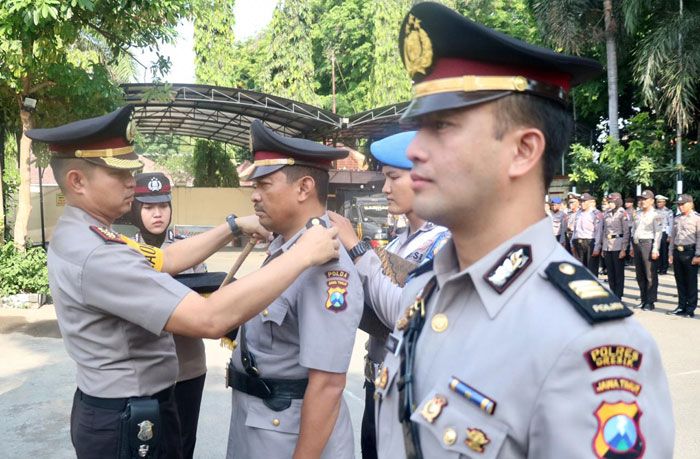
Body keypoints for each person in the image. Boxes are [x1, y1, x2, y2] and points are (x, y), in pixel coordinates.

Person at [372, 3, 674, 458]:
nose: (414, 150)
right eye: (419, 128)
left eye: (441, 127)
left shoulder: (589, 345)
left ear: (523, 151)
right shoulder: (429, 291)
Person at [26, 105, 341, 459]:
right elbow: (209, 320)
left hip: (125, 410)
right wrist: (302, 255)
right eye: (119, 173)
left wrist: (234, 227)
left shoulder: (88, 234)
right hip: (128, 422)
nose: (132, 182)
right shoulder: (98, 254)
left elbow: (167, 260)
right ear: (77, 181)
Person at [225, 120, 363, 459]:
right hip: (261, 425)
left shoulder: (326, 265)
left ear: (304, 188)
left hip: (289, 437)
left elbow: (328, 385)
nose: (254, 194)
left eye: (265, 184)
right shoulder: (286, 249)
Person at [328, 131, 450, 459]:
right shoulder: (398, 243)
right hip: (379, 381)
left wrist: (356, 247)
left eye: (393, 177)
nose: (384, 189)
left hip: (411, 388)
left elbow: (402, 312)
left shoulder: (444, 243)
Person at [130, 172, 207, 459]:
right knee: (145, 445)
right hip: (145, 369)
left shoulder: (191, 249)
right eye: (149, 207)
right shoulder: (124, 251)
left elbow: (205, 302)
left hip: (188, 367)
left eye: (163, 206)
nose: (157, 214)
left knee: (184, 444)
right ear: (136, 210)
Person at [667, 194, 700, 318]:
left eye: (682, 204)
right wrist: (670, 253)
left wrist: (698, 255)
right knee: (680, 281)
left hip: (690, 252)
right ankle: (681, 306)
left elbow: (699, 238)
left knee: (691, 282)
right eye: (679, 204)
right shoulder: (677, 219)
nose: (680, 207)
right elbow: (673, 237)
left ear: (690, 204)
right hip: (677, 252)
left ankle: (690, 308)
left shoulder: (697, 218)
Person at [631, 189, 664, 310]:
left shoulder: (656, 215)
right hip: (637, 244)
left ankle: (650, 301)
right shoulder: (637, 213)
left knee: (650, 275)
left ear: (651, 201)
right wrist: (632, 246)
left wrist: (656, 249)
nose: (642, 201)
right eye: (641, 199)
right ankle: (643, 299)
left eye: (645, 199)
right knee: (639, 275)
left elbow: (658, 233)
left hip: (648, 245)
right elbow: (633, 230)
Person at [594, 192, 630, 297]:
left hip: (618, 245)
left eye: (612, 202)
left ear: (618, 202)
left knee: (618, 272)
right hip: (607, 246)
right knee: (610, 272)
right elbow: (604, 231)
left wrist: (624, 249)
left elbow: (626, 232)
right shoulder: (606, 213)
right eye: (609, 202)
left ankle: (618, 295)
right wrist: (603, 248)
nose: (610, 204)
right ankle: (612, 293)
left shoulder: (623, 213)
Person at [571, 193, 602, 275]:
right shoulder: (578, 213)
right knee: (580, 270)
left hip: (590, 243)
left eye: (584, 201)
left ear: (590, 202)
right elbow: (575, 229)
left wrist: (597, 247)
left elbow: (598, 232)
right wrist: (572, 243)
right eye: (581, 201)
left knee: (591, 270)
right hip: (578, 242)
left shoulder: (596, 213)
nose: (582, 203)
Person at [655, 194, 674, 274]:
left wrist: (669, 235)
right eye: (657, 202)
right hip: (656, 233)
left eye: (660, 202)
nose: (658, 203)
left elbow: (671, 224)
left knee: (664, 251)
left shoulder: (668, 212)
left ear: (664, 203)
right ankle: (658, 267)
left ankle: (664, 268)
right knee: (657, 250)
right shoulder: (655, 211)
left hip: (664, 233)